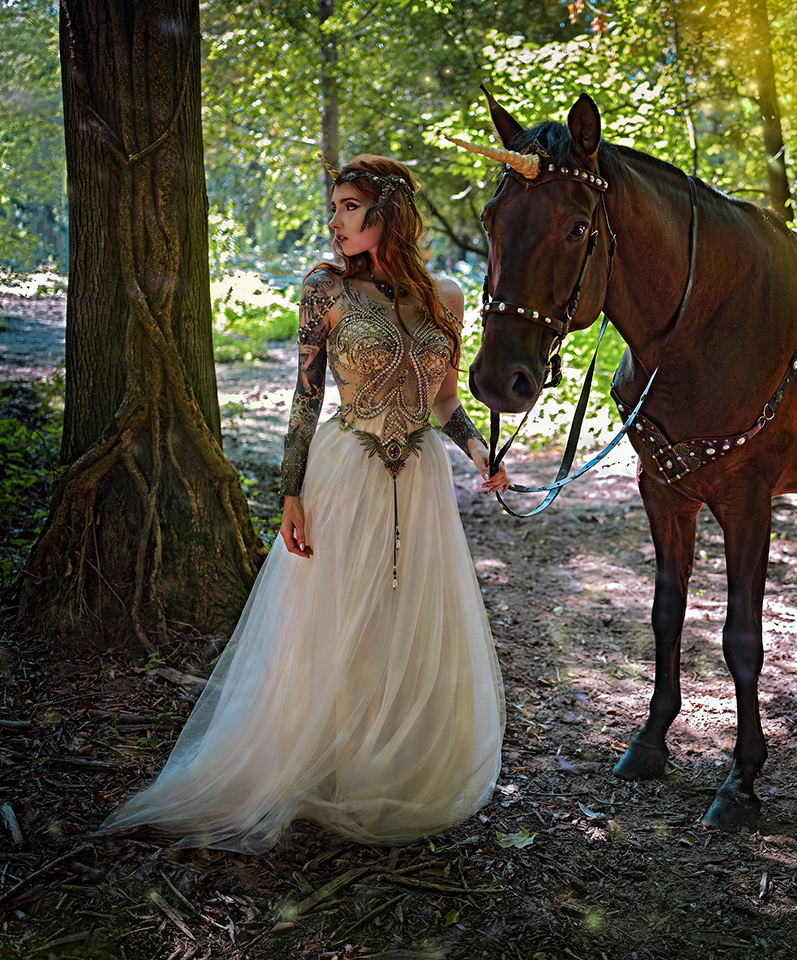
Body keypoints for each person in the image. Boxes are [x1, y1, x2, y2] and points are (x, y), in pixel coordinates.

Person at [101, 155, 508, 854]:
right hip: (343, 473)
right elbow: (306, 395)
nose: (336, 220)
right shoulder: (324, 289)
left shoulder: (446, 297)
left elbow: (443, 399)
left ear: (389, 213)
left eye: (350, 206)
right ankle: (329, 762)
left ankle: (398, 763)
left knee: (408, 616)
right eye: (335, 208)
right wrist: (290, 491)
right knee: (334, 618)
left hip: (422, 483)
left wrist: (480, 456)